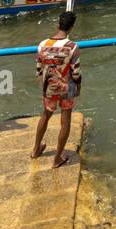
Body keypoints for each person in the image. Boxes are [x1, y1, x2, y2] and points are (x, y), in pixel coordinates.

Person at [32, 11, 82, 169]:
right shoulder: (72, 47)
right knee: (65, 120)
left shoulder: (43, 45)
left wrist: (45, 85)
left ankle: (35, 150)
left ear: (58, 24)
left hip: (50, 86)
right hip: (68, 87)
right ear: (71, 28)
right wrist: (78, 88)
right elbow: (76, 73)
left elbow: (39, 69)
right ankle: (58, 157)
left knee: (45, 116)